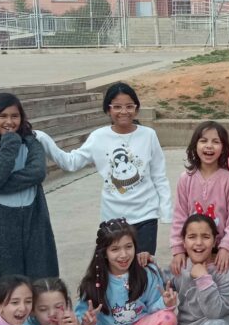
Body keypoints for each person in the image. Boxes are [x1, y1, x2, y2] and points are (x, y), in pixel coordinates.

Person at [36, 81, 172, 255]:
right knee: (116, 266)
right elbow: (71, 162)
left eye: (129, 106)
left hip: (146, 216)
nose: (124, 111)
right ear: (108, 110)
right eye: (117, 107)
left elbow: (159, 175)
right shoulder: (98, 137)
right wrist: (43, 138)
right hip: (112, 218)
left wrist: (166, 211)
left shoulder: (148, 135)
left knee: (143, 266)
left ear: (136, 109)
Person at [0, 92, 58, 290]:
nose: (9, 121)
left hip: (35, 219)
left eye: (14, 116)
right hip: (2, 224)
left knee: (42, 278)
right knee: (8, 282)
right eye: (2, 116)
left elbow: (37, 173)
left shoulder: (31, 142)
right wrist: (10, 143)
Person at [169, 121, 229, 277]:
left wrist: (226, 248)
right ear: (195, 145)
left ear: (224, 148)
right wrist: (178, 249)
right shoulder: (185, 179)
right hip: (194, 252)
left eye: (215, 142)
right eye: (203, 141)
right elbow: (179, 217)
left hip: (221, 256)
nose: (209, 146)